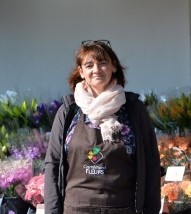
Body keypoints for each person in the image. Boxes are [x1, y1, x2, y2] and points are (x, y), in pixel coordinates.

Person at [44, 40, 161, 214]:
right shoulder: (68, 111)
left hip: (123, 208)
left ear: (114, 67)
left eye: (103, 63)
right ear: (81, 72)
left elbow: (151, 162)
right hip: (76, 209)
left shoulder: (133, 109)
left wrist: (151, 209)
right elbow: (52, 163)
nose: (96, 70)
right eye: (89, 65)